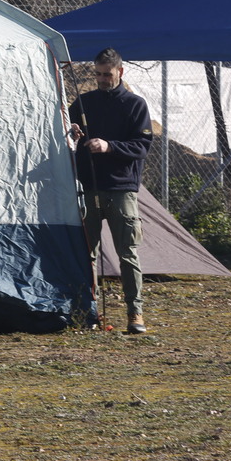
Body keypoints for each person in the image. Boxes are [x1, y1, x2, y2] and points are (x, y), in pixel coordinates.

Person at [68, 47, 153, 334]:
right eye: (98, 74)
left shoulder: (135, 105)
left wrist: (109, 146)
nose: (102, 79)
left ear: (120, 71)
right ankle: (87, 312)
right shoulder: (82, 102)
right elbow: (66, 138)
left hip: (121, 189)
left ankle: (135, 313)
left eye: (108, 74)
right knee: (85, 253)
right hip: (88, 187)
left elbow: (142, 147)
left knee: (127, 253)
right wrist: (74, 134)